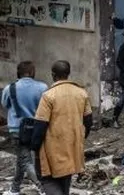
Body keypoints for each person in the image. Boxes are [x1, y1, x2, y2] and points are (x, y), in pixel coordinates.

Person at [31, 61, 93, 195]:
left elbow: (40, 125)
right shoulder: (82, 93)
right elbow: (88, 121)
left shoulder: (48, 95)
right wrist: (81, 138)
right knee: (66, 176)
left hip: (52, 146)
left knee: (47, 179)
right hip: (72, 145)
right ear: (68, 73)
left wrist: (35, 147)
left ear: (53, 75)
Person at [2, 61, 48, 195]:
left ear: (18, 73)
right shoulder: (43, 87)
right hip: (37, 128)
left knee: (25, 160)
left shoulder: (9, 88)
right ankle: (14, 189)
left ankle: (42, 188)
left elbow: (5, 104)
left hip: (17, 129)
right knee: (22, 159)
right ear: (33, 72)